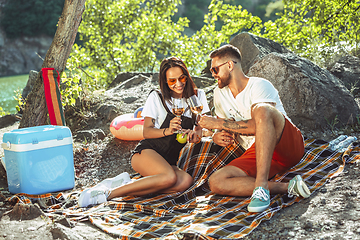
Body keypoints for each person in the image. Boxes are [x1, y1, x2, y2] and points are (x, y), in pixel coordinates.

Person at [78, 57, 210, 207]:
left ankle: (128, 183)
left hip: (170, 160)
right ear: (165, 81)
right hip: (148, 152)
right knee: (168, 178)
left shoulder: (198, 96)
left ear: (187, 75)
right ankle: (109, 193)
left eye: (181, 78)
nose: (178, 84)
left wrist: (194, 137)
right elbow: (146, 132)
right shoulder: (157, 97)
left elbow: (200, 130)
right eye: (172, 81)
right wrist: (167, 130)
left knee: (185, 182)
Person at [198, 44, 311, 213]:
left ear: (230, 65)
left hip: (287, 145)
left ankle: (260, 188)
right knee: (216, 181)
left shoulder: (259, 85)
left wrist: (218, 124)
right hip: (256, 152)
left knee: (262, 110)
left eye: (215, 69)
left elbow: (258, 125)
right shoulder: (219, 94)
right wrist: (216, 135)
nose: (213, 75)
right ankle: (287, 187)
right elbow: (223, 126)